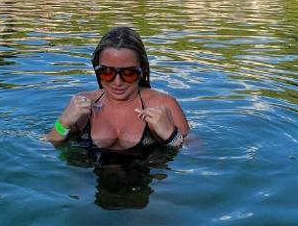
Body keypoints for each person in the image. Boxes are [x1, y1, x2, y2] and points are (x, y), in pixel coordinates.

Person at [47, 26, 191, 152]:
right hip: (89, 180)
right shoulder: (83, 104)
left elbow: (196, 154)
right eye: (107, 73)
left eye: (128, 73)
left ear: (141, 68)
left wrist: (170, 134)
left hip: (147, 180)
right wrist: (63, 122)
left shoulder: (164, 105)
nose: (117, 82)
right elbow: (48, 147)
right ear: (97, 68)